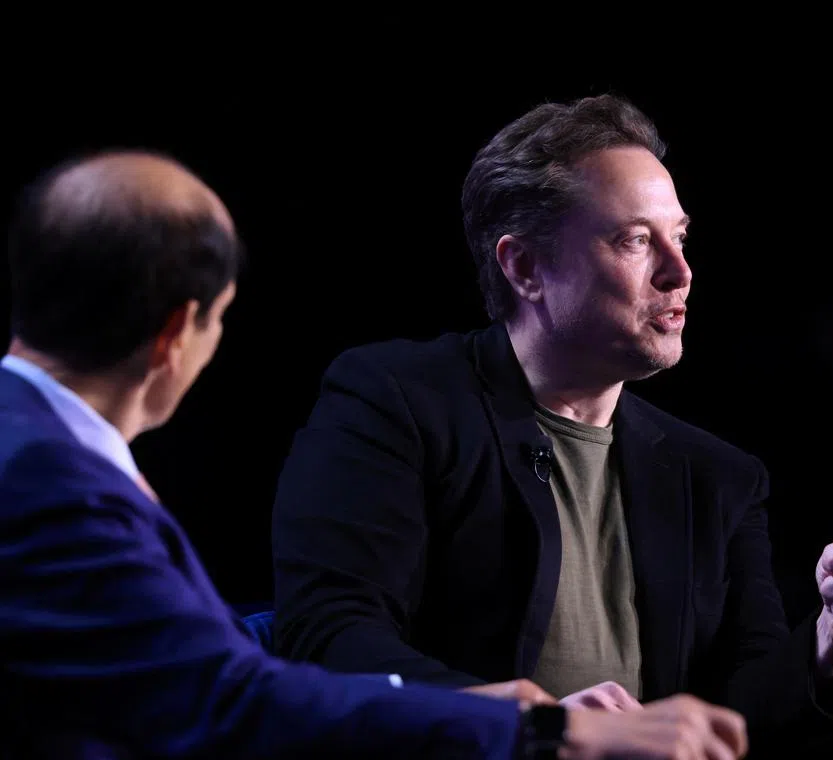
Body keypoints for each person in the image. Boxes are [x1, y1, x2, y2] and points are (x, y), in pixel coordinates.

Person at [270, 94, 833, 758]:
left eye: (681, 237)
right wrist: (546, 723)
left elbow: (746, 719)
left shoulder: (716, 474)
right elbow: (329, 635)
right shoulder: (395, 398)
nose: (680, 272)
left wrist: (828, 642)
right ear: (525, 267)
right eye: (634, 241)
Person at [0, 149, 750, 759]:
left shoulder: (36, 447)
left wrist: (481, 696)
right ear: (175, 334)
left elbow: (179, 642)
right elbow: (222, 699)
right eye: (222, 319)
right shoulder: (49, 482)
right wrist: (539, 726)